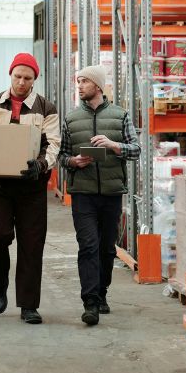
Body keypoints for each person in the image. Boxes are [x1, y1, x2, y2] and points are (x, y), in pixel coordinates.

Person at [0, 53, 60, 325]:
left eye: (27, 78)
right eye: (18, 76)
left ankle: (29, 305)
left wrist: (40, 165)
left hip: (31, 187)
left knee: (31, 245)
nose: (21, 82)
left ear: (34, 79)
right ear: (11, 75)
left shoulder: (46, 108)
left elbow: (53, 144)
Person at [58, 65, 140, 326]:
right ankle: (90, 302)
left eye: (84, 81)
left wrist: (114, 145)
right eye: (78, 81)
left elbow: (136, 150)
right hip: (82, 193)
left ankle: (102, 292)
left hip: (111, 193)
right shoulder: (71, 119)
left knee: (106, 248)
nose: (80, 85)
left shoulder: (120, 115)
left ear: (97, 85)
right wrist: (73, 161)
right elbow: (62, 155)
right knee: (88, 246)